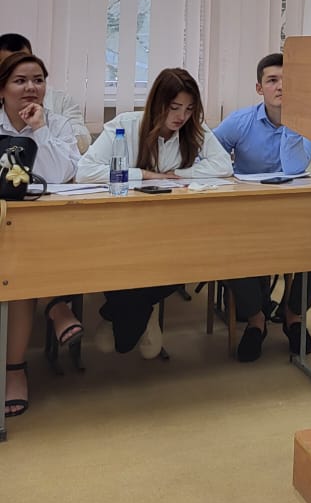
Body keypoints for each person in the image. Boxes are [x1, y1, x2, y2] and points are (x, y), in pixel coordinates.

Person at [78, 67, 232, 356]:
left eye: (189, 109)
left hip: (172, 228)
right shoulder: (126, 125)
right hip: (123, 227)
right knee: (123, 262)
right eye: (174, 107)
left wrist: (179, 174)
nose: (182, 116)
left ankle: (115, 315)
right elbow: (85, 171)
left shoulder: (193, 129)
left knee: (186, 260)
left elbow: (224, 166)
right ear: (157, 102)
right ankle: (141, 314)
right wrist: (144, 175)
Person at [214, 53, 311, 363]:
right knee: (229, 247)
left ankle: (293, 314)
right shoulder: (241, 121)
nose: (281, 87)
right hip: (247, 214)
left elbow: (292, 167)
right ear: (259, 88)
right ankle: (256, 319)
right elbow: (208, 156)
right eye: (273, 80)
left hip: (292, 214)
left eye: (289, 81)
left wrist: (292, 121)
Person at [0, 51, 82, 418]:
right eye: (20, 81)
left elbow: (59, 175)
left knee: (19, 269)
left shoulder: (57, 124)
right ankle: (55, 305)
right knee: (18, 260)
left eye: (38, 80)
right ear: (2, 89)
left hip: (39, 233)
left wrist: (39, 130)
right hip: (5, 227)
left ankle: (14, 370)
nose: (31, 88)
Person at [0, 33, 91, 153]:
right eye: (9, 65)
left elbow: (82, 141)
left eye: (22, 60)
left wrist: (42, 130)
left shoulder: (60, 102)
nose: (30, 87)